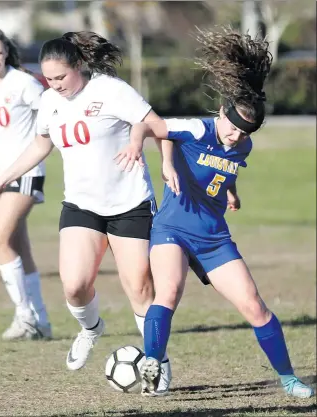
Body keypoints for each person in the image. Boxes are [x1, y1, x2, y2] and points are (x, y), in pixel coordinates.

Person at [115, 27, 315, 398]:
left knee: (254, 306)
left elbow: (226, 167)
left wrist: (230, 191)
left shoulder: (243, 147)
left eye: (245, 132)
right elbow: (151, 126)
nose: (236, 136)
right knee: (169, 293)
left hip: (213, 237)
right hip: (172, 229)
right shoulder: (197, 129)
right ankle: (153, 364)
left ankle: (288, 377)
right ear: (221, 112)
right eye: (233, 127)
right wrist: (163, 162)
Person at [0, 31, 173, 394]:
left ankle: (157, 363)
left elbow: (156, 125)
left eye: (60, 78)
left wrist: (166, 165)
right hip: (82, 205)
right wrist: (2, 178)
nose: (54, 86)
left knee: (140, 289)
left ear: (79, 66)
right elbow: (40, 144)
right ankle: (91, 329)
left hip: (129, 205)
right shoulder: (50, 101)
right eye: (48, 79)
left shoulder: (110, 90)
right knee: (74, 286)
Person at [0, 27, 52, 340]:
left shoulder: (24, 83)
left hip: (25, 172)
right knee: (17, 244)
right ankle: (41, 320)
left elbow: (50, 117)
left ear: (6, 51)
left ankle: (24, 317)